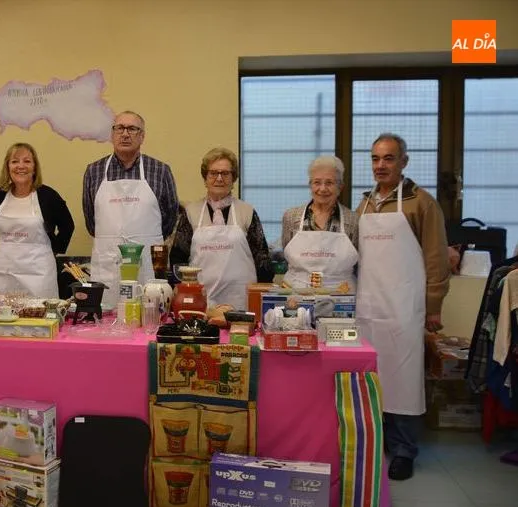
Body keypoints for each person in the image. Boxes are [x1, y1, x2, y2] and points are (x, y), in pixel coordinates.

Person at [356, 133, 450, 481]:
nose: (381, 166)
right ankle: (378, 441)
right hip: (368, 306)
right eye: (376, 159)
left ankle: (405, 450)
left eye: (389, 158)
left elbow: (437, 258)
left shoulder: (421, 203)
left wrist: (434, 306)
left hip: (405, 307)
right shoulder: (364, 204)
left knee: (404, 377)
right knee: (372, 376)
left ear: (404, 162)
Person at [82, 111, 179, 308]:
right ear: (112, 134)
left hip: (148, 269)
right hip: (107, 265)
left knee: (148, 317)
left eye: (132, 129)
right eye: (120, 128)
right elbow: (91, 221)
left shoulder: (160, 171)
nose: (125, 134)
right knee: (106, 319)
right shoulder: (94, 171)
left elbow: (169, 219)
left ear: (142, 136)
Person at [170, 147, 273, 310]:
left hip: (241, 301)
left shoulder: (247, 212)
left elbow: (263, 260)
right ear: (205, 178)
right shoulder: (191, 212)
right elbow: (178, 259)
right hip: (200, 299)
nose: (219, 178)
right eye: (213, 173)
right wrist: (180, 289)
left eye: (225, 173)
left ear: (233, 179)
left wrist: (264, 297)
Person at [0, 143, 75, 299]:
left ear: (35, 167)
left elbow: (68, 226)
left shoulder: (48, 196)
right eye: (14, 161)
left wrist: (54, 249)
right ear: (8, 167)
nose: (21, 166)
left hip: (39, 274)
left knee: (39, 319)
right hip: (5, 273)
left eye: (27, 161)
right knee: (3, 318)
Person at [280, 155, 359, 292]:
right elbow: (287, 256)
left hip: (342, 297)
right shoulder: (291, 217)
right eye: (317, 182)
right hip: (297, 293)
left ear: (340, 187)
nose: (322, 189)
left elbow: (359, 265)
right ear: (310, 185)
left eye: (329, 183)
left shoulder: (354, 220)